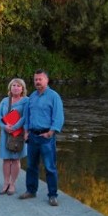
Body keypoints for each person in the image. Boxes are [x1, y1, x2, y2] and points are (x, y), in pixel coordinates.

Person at [19, 69, 65, 206]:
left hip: (46, 137)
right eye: (35, 80)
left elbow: (58, 117)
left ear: (46, 80)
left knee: (50, 167)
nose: (37, 82)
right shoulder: (32, 96)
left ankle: (52, 195)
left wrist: (51, 132)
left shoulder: (54, 96)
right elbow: (27, 115)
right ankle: (31, 190)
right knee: (31, 166)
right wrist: (26, 131)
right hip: (33, 136)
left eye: (40, 79)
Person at [0, 78, 28, 195]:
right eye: (13, 85)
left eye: (18, 86)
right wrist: (5, 126)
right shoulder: (4, 100)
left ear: (22, 89)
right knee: (6, 159)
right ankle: (5, 183)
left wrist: (14, 127)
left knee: (15, 159)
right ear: (10, 87)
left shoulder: (26, 101)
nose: (15, 87)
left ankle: (12, 184)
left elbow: (25, 117)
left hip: (18, 134)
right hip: (5, 133)